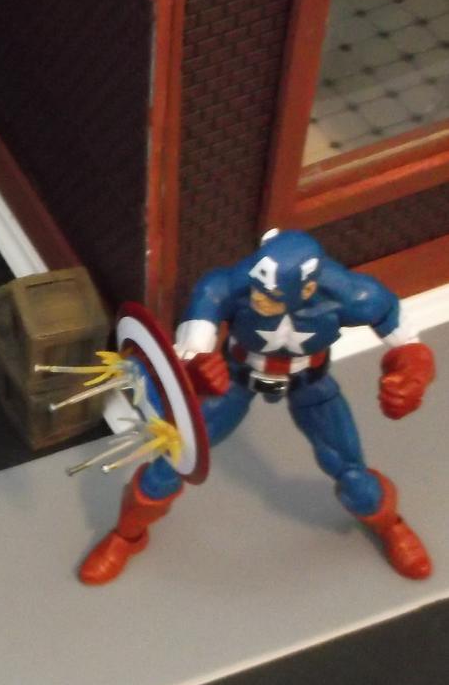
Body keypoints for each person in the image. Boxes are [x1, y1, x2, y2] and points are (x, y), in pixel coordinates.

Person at [81, 228, 436, 585]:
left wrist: (411, 376)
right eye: (257, 287)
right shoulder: (226, 286)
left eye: (272, 295)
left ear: (308, 289)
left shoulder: (355, 295)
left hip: (310, 383)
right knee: (173, 458)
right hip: (237, 378)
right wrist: (198, 370)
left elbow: (409, 346)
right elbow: (192, 346)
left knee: (353, 474)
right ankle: (127, 536)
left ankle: (390, 525)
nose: (258, 299)